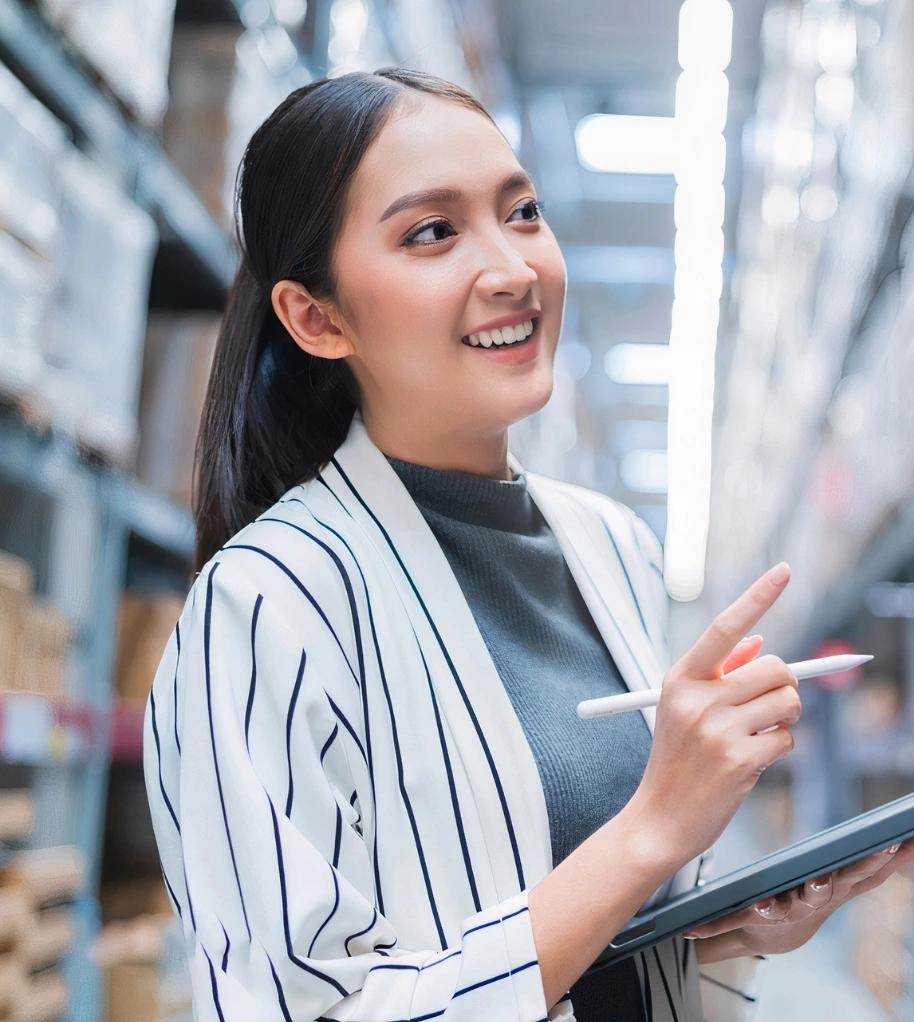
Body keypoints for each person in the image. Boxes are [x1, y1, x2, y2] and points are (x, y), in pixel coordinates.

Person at [142, 67, 914, 1022]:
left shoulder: (613, 548)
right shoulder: (268, 605)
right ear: (318, 317)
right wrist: (653, 830)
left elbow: (613, 954)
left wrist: (734, 934)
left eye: (522, 211)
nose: (511, 267)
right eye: (433, 231)